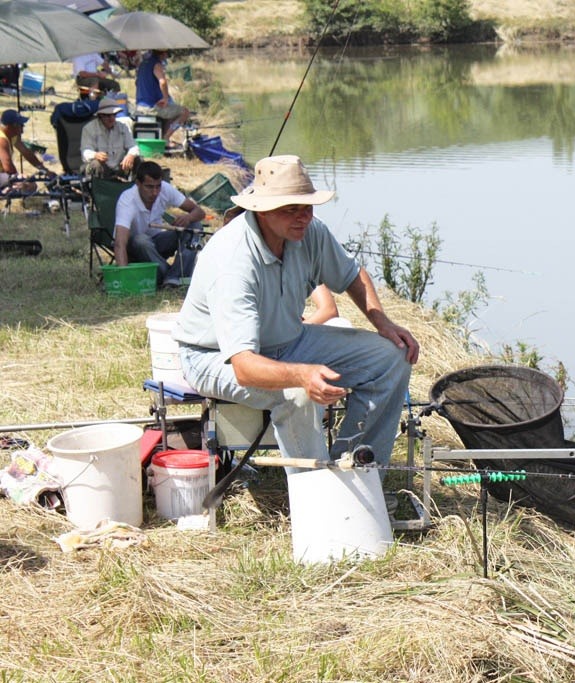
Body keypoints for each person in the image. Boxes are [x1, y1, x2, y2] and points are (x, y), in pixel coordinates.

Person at [172, 154, 419, 478]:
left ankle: (357, 472)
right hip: (214, 357)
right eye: (291, 209)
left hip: (289, 340)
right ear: (261, 210)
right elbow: (245, 367)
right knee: (298, 393)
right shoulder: (234, 262)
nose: (303, 217)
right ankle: (317, 494)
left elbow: (352, 275)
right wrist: (302, 375)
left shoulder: (310, 232)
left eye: (308, 207)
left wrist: (382, 322)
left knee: (391, 357)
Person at [113, 160, 204, 287]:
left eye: (158, 186)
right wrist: (124, 278)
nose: (155, 192)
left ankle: (172, 278)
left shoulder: (165, 189)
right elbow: (120, 244)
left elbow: (199, 212)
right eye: (149, 187)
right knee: (141, 240)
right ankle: (174, 277)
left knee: (195, 226)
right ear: (138, 184)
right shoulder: (127, 200)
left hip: (157, 242)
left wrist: (188, 218)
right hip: (135, 250)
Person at [135, 50, 190, 144]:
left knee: (170, 111)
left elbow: (136, 83)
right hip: (151, 107)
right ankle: (166, 138)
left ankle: (162, 137)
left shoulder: (142, 64)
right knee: (184, 112)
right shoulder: (156, 64)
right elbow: (163, 82)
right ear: (163, 54)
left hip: (140, 105)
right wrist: (165, 98)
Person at [80, 97, 140, 181]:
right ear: (100, 115)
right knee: (95, 164)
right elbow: (85, 152)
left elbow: (133, 146)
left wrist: (131, 155)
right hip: (102, 168)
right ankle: (97, 191)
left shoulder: (123, 127)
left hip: (120, 166)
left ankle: (134, 188)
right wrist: (95, 155)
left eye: (114, 115)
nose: (112, 118)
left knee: (138, 159)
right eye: (108, 115)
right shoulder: (89, 129)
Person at [0, 109, 53, 195]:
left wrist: (45, 170)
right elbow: (8, 166)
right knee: (30, 186)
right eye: (21, 125)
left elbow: (26, 153)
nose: (22, 129)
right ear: (10, 127)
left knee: (31, 184)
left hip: (2, 175)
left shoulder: (11, 135)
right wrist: (19, 178)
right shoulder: (2, 140)